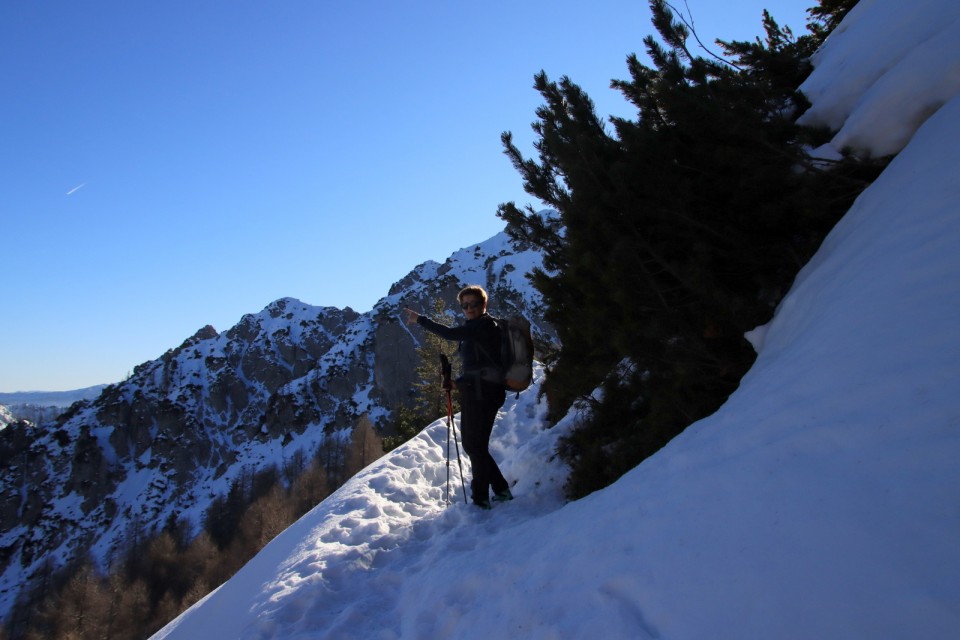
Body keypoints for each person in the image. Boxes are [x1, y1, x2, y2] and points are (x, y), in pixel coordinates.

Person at [404, 285, 514, 509]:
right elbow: (479, 367)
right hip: (479, 392)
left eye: (474, 304)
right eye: (465, 305)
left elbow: (450, 334)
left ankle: (483, 496)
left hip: (484, 394)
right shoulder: (478, 328)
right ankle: (497, 490)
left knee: (475, 446)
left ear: (484, 304)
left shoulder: (483, 326)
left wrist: (420, 320)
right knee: (476, 446)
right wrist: (457, 383)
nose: (469, 308)